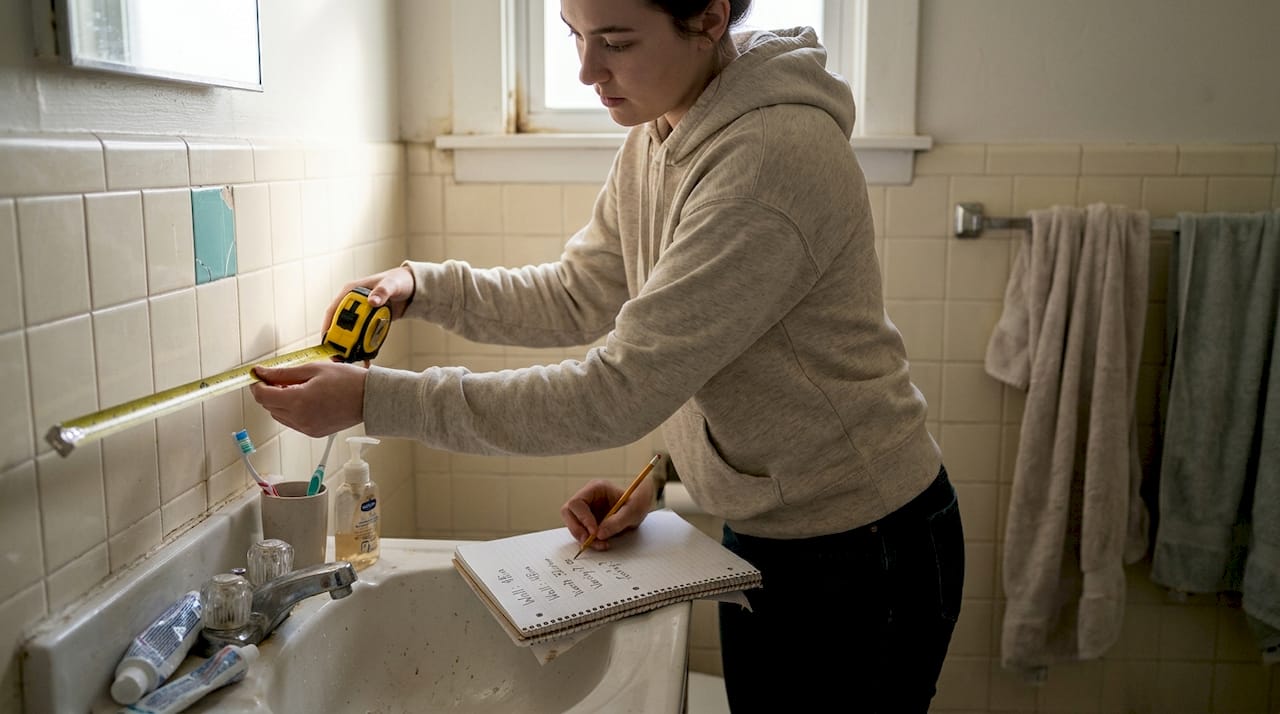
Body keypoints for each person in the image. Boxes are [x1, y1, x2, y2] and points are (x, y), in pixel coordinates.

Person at [250, 0, 963, 710]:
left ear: (710, 19)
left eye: (616, 42)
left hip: (863, 550)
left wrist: (375, 400)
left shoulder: (770, 159)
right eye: (575, 37)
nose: (588, 70)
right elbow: (579, 294)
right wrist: (424, 287)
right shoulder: (661, 130)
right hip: (771, 526)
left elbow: (614, 392)